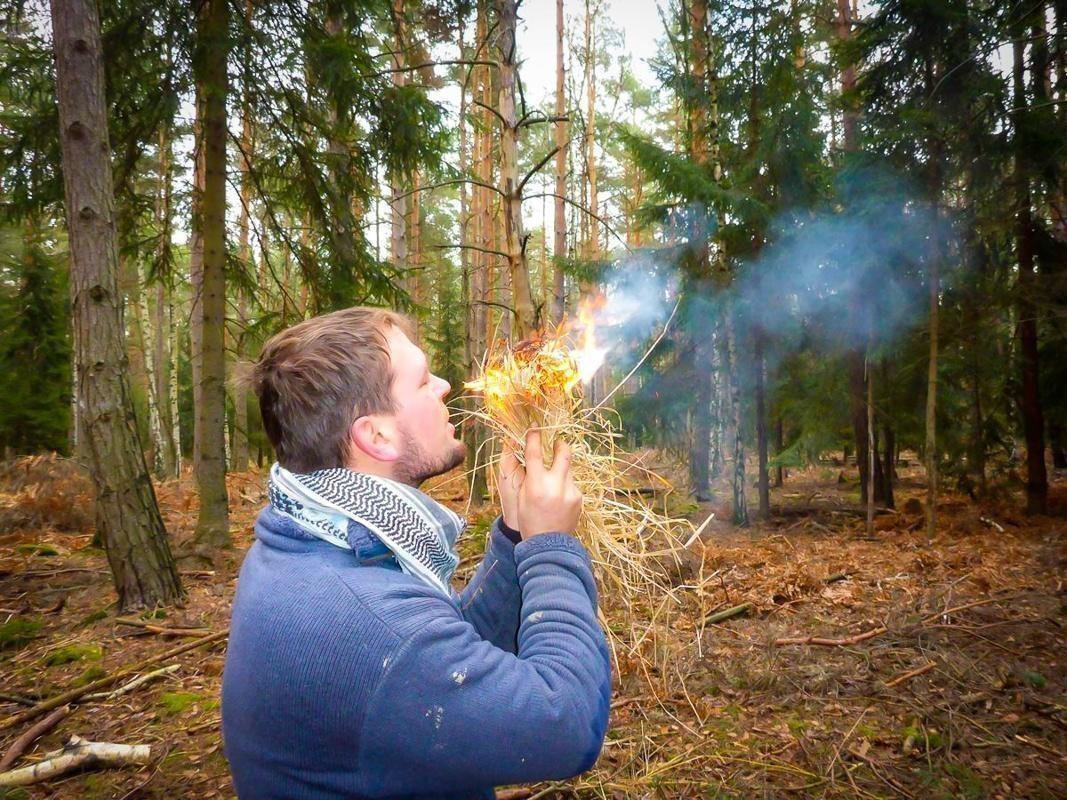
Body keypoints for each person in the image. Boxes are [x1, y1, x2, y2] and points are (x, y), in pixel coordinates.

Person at [221, 306, 611, 800]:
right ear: (376, 436)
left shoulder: (312, 540)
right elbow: (566, 725)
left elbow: (447, 656)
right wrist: (550, 547)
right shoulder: (364, 620)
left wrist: (515, 537)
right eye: (424, 381)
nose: (444, 386)